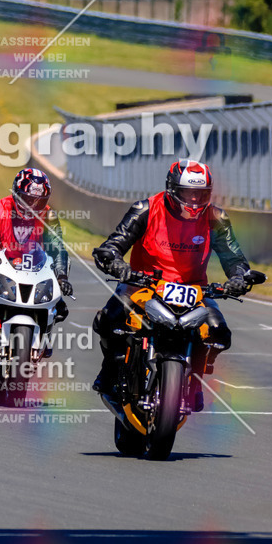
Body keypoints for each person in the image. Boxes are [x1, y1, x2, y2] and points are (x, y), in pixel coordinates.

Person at [91, 159, 250, 401]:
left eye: (201, 194)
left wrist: (239, 277)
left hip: (193, 289)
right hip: (143, 284)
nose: (194, 200)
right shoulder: (146, 209)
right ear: (172, 189)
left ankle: (195, 379)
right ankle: (110, 370)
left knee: (219, 332)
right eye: (188, 192)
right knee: (109, 318)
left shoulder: (216, 217)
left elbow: (234, 257)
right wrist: (115, 262)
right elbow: (114, 244)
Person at [0, 167, 72, 350]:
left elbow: (58, 249)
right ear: (16, 194)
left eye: (39, 202)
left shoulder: (49, 216)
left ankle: (43, 334)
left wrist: (62, 278)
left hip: (34, 268)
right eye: (28, 199)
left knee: (61, 307)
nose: (32, 206)